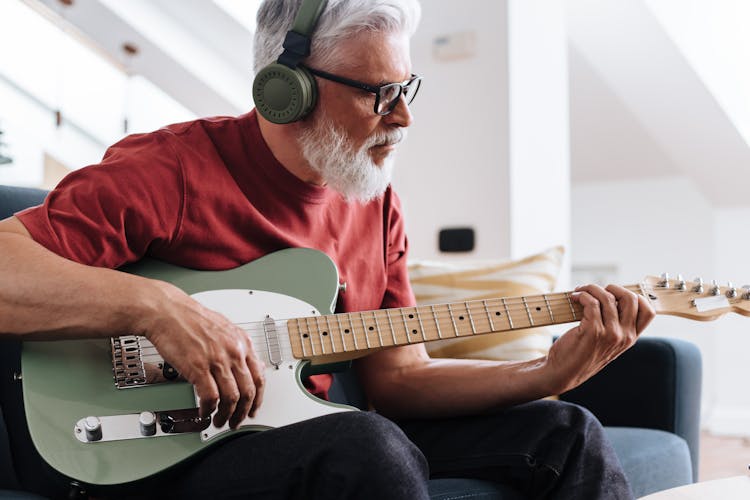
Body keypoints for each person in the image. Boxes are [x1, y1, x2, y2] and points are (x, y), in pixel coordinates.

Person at [0, 0, 654, 498]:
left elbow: (400, 381)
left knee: (568, 432)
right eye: (380, 95)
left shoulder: (374, 203)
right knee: (365, 445)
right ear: (287, 91)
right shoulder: (169, 168)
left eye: (407, 88)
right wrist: (157, 309)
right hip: (134, 443)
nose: (404, 118)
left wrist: (548, 376)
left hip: (293, 431)